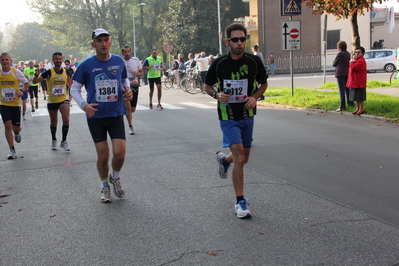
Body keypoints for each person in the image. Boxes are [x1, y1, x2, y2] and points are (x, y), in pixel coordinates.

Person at [204, 23, 268, 219]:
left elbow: (263, 84)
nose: (240, 43)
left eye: (243, 39)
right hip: (227, 115)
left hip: (247, 114)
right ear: (227, 42)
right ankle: (240, 202)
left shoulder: (253, 62)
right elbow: (207, 86)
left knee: (243, 157)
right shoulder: (219, 63)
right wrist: (217, 94)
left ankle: (224, 160)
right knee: (240, 156)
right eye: (235, 40)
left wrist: (255, 97)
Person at [70, 28, 133, 203]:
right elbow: (74, 88)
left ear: (111, 42)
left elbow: (124, 81)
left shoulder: (119, 61)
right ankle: (104, 185)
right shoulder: (86, 64)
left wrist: (128, 91)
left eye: (106, 40)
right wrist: (84, 105)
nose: (103, 44)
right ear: (93, 44)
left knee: (120, 154)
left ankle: (116, 177)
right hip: (96, 116)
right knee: (104, 156)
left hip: (115, 114)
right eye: (99, 41)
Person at [33, 52, 72, 151]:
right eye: (56, 59)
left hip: (63, 99)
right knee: (54, 122)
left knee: (66, 119)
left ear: (62, 59)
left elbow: (69, 83)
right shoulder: (49, 72)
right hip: (52, 100)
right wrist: (36, 75)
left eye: (60, 59)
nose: (58, 60)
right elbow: (35, 81)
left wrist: (72, 92)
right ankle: (54, 139)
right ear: (53, 60)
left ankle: (64, 141)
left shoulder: (66, 71)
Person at [0, 53, 29, 159]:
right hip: (3, 104)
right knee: (7, 125)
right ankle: (12, 150)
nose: (5, 62)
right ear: (0, 61)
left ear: (10, 61)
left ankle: (16, 131)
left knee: (16, 127)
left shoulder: (15, 72)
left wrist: (21, 90)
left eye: (7, 59)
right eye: (2, 60)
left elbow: (27, 83)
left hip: (15, 104)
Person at [121, 45, 143, 135]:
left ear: (130, 52)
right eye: (125, 52)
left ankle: (127, 115)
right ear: (122, 53)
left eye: (128, 51)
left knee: (132, 109)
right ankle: (130, 126)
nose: (126, 53)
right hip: (125, 87)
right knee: (128, 106)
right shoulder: (120, 62)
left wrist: (137, 73)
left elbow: (142, 73)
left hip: (134, 85)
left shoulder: (136, 61)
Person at [346, 46, 367, 115]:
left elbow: (354, 68)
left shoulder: (361, 61)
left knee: (360, 96)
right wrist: (353, 60)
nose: (357, 53)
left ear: (362, 53)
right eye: (356, 52)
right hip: (355, 80)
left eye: (359, 52)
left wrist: (352, 61)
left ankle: (361, 109)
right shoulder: (357, 60)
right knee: (356, 96)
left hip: (359, 81)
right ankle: (357, 108)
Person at [332, 41, 352, 112]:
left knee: (341, 90)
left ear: (339, 47)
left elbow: (334, 63)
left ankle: (342, 106)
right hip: (346, 73)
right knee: (347, 88)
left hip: (340, 73)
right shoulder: (348, 53)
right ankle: (350, 103)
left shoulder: (340, 54)